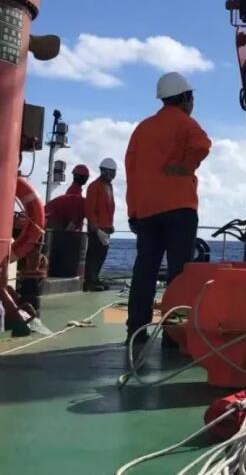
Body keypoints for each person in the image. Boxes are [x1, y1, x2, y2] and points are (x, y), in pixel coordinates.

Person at [125, 72, 211, 344]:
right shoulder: (185, 124)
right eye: (192, 97)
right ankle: (174, 336)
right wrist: (185, 167)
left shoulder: (143, 129)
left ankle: (135, 331)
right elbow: (202, 145)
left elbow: (132, 171)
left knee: (144, 272)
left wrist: (133, 211)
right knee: (179, 275)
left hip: (147, 212)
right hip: (179, 209)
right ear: (185, 98)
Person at [83, 158, 117, 291]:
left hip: (106, 228)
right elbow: (90, 210)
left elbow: (109, 207)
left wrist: (110, 225)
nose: (113, 175)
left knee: (101, 255)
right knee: (94, 255)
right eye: (112, 172)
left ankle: (95, 278)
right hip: (97, 228)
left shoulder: (109, 186)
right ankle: (90, 282)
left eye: (114, 172)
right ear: (104, 171)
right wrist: (96, 229)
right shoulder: (94, 187)